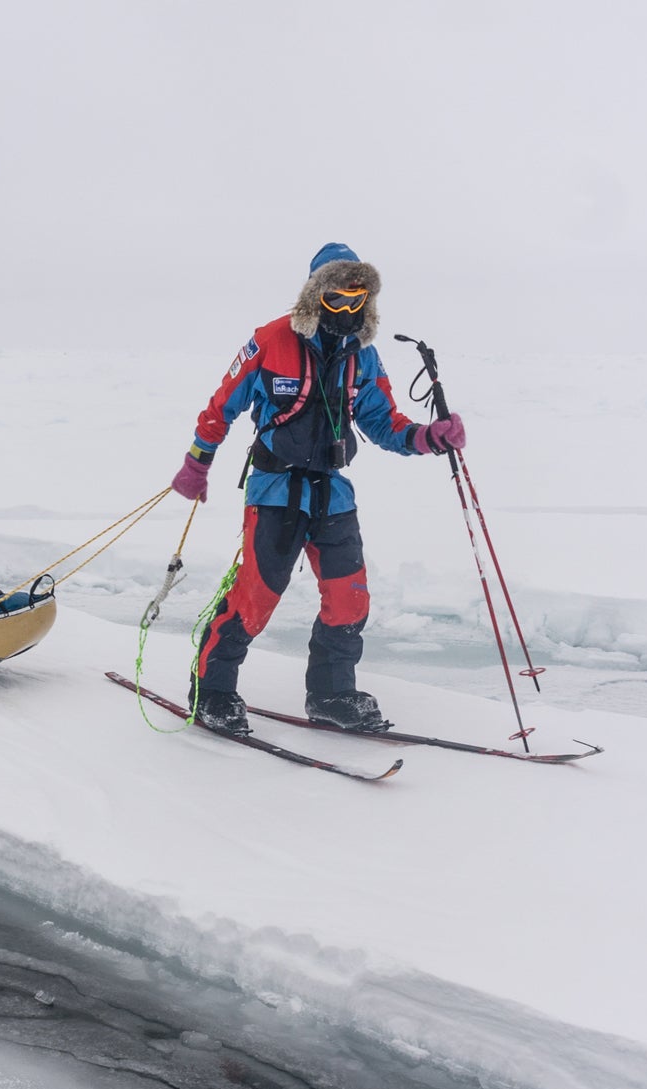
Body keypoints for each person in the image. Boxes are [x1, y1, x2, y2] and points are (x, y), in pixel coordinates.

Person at [167, 243, 465, 735]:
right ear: (315, 294)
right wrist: (197, 464)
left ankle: (331, 694)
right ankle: (212, 690)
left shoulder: (363, 357)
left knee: (350, 598)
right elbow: (221, 406)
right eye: (336, 297)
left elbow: (384, 422)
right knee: (256, 597)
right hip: (275, 490)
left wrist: (429, 437)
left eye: (357, 298)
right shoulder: (270, 340)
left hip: (332, 492)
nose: (347, 308)